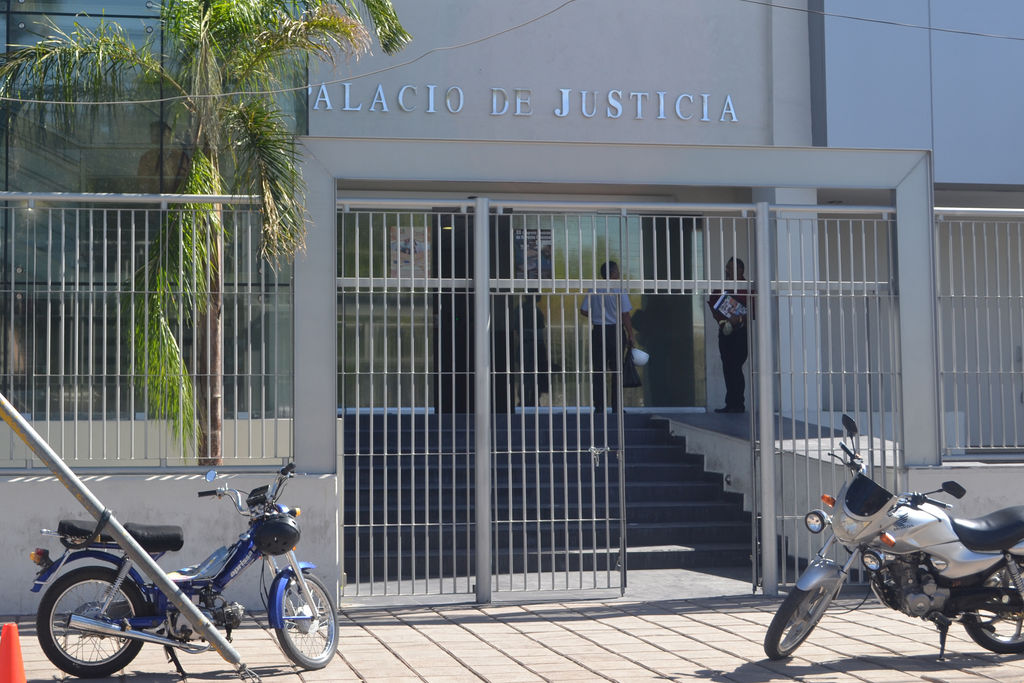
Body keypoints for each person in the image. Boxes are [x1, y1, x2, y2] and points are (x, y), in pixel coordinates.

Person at [580, 260, 634, 412]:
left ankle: (599, 407)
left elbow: (583, 310)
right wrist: (631, 335)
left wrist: (597, 316)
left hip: (598, 331)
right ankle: (617, 407)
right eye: (617, 271)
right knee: (617, 370)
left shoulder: (594, 288)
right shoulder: (618, 289)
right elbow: (625, 314)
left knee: (599, 370)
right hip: (615, 330)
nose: (619, 273)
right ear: (611, 274)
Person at [707, 257, 750, 413]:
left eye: (731, 268)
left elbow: (754, 310)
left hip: (740, 333)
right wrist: (722, 321)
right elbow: (713, 303)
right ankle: (730, 404)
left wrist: (738, 319)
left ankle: (738, 404)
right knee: (727, 367)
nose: (728, 271)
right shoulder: (722, 286)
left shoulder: (747, 287)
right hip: (725, 332)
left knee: (735, 367)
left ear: (741, 270)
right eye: (727, 268)